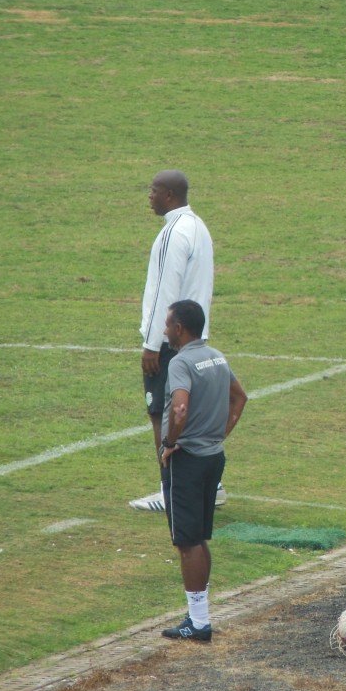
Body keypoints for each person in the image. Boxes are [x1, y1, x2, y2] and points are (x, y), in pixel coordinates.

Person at [158, 300, 247, 641]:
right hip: (213, 456)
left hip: (188, 459)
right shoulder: (218, 356)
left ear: (180, 328)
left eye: (168, 324)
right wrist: (219, 434)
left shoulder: (181, 362)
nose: (165, 330)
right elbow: (239, 398)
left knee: (187, 541)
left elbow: (179, 409)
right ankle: (198, 616)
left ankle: (198, 624)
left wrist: (169, 443)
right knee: (198, 539)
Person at [130, 169, 218, 512]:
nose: (149, 196)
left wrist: (153, 343)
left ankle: (170, 490)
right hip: (198, 337)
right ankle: (213, 486)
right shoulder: (199, 228)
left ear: (169, 195)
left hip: (171, 342)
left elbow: (163, 291)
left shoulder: (172, 233)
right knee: (191, 414)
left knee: (163, 416)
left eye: (153, 191)